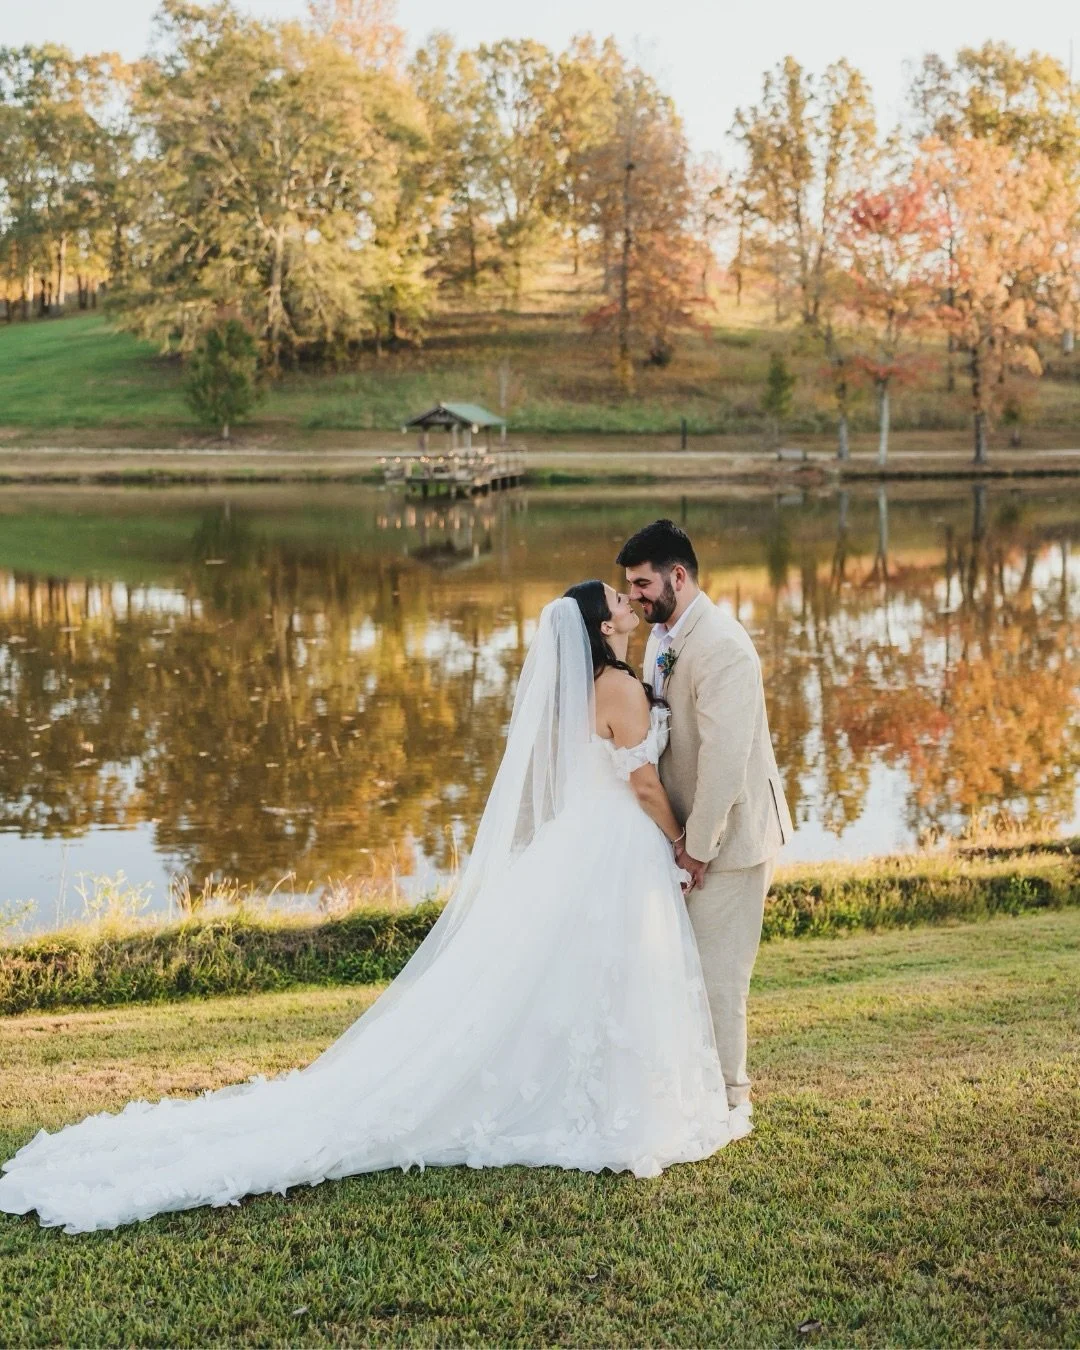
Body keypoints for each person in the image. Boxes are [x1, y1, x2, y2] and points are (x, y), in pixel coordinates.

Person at [0, 583, 741, 1236]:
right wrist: (682, 843)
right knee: (607, 973)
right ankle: (610, 1103)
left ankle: (593, 1088)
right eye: (615, 600)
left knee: (577, 977)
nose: (625, 602)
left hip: (584, 841)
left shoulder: (590, 685)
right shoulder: (614, 686)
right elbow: (642, 787)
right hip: (614, 844)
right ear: (599, 626)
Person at [617, 520, 792, 1128]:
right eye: (631, 586)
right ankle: (693, 1088)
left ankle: (730, 1098)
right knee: (684, 967)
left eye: (642, 584)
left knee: (719, 975)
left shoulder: (722, 645)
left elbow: (725, 757)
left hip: (729, 838)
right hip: (687, 831)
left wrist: (697, 848)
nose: (635, 596)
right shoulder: (664, 634)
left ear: (678, 576)